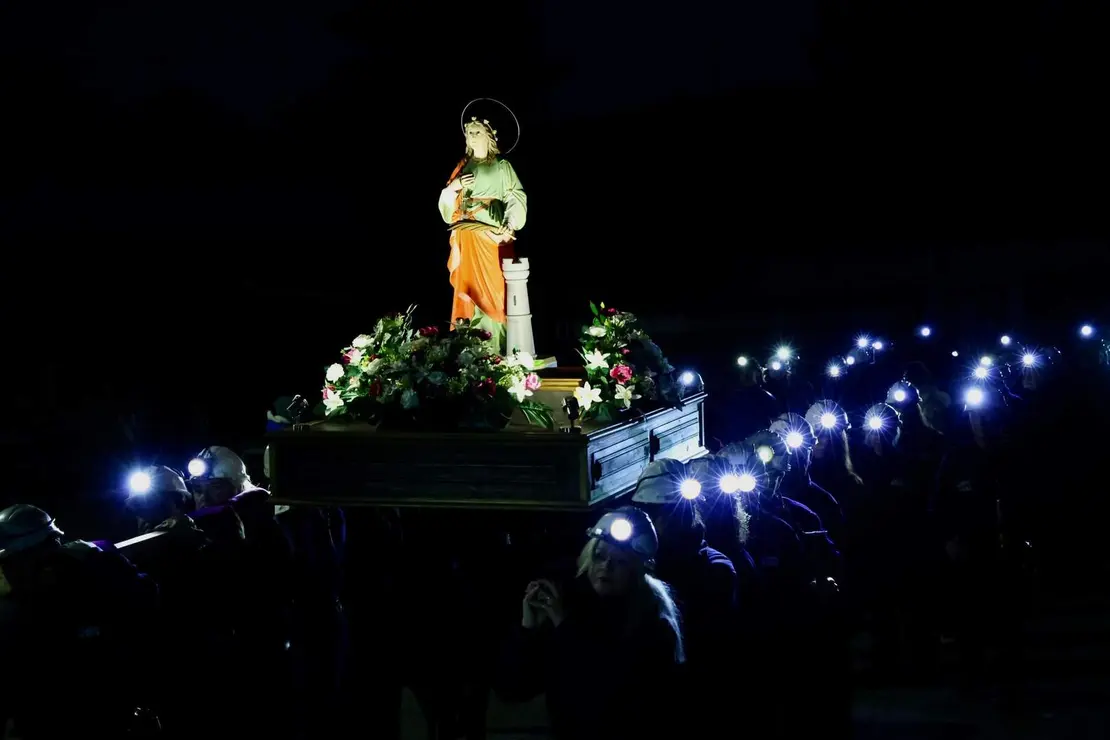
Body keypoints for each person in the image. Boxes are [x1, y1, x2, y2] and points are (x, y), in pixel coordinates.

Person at [497, 507, 684, 739]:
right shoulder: (573, 607)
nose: (606, 566)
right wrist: (528, 629)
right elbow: (513, 688)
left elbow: (609, 701)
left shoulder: (654, 625)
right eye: (600, 555)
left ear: (636, 570)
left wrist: (564, 628)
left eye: (620, 561)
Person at [438, 116, 528, 351]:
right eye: (469, 133)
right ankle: (469, 352)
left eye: (477, 132)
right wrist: (455, 186)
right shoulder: (462, 166)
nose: (471, 136)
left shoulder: (501, 166)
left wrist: (510, 221)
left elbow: (515, 196)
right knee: (468, 290)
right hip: (467, 235)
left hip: (492, 236)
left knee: (495, 292)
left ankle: (496, 349)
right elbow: (447, 200)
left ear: (489, 136)